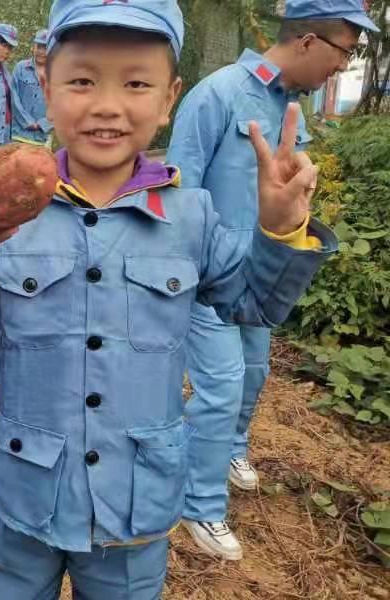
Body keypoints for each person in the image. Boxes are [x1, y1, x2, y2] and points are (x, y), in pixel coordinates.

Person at [0, 0, 338, 596]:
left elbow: (256, 305)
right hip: (28, 494)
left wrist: (279, 233)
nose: (107, 104)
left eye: (135, 82)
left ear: (169, 97)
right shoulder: (8, 213)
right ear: (45, 88)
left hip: (136, 506)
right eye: (81, 80)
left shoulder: (191, 217)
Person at [167, 0, 377, 561]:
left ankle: (228, 450)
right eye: (344, 51)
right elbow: (180, 193)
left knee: (253, 373)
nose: (343, 65)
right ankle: (198, 504)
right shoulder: (215, 95)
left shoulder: (292, 112)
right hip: (208, 277)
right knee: (221, 385)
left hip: (259, 275)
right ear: (308, 41)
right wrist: (183, 274)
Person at [11, 29, 52, 146]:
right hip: (19, 135)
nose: (41, 51)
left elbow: (61, 106)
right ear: (33, 47)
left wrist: (43, 124)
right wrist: (28, 122)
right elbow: (14, 98)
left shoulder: (57, 73)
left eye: (45, 48)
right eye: (39, 47)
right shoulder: (21, 68)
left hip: (42, 138)